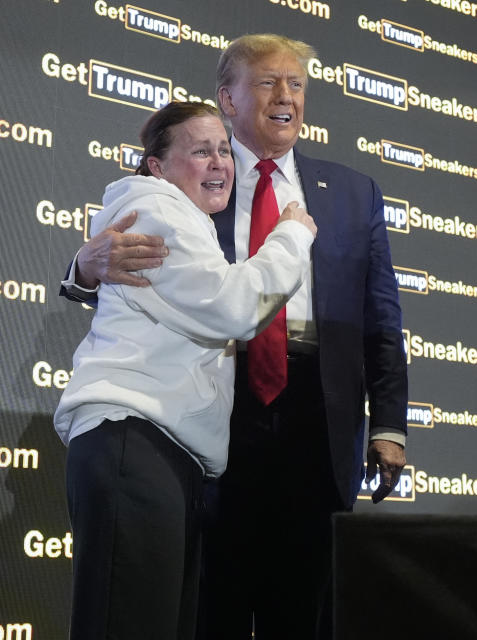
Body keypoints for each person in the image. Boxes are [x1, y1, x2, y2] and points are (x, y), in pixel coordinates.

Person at [62, 34, 408, 638]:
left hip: (316, 414)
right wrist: (82, 269)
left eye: (297, 84)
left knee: (306, 605)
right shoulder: (190, 186)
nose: (287, 96)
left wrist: (389, 424)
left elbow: (381, 318)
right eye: (269, 82)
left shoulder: (354, 192)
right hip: (221, 404)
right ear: (228, 97)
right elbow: (145, 264)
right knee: (203, 600)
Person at [55, 101, 317, 640]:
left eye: (224, 149)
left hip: (166, 451)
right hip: (134, 441)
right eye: (201, 151)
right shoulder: (152, 207)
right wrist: (291, 235)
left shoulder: (188, 219)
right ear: (157, 166)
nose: (220, 161)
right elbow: (235, 307)